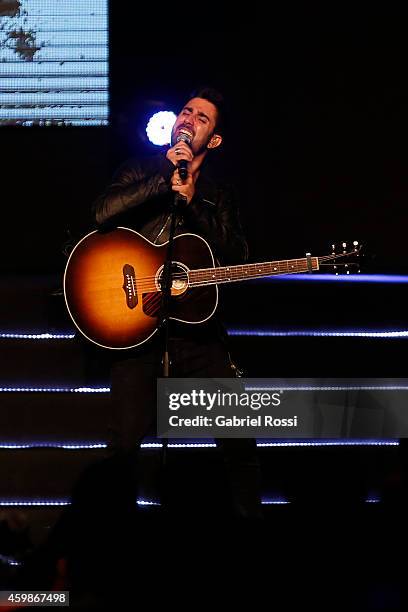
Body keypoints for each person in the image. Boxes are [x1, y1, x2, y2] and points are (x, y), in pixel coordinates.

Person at [91, 86, 263, 520]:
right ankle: (108, 547)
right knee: (124, 445)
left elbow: (237, 255)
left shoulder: (218, 195)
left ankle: (251, 537)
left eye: (201, 118)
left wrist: (194, 206)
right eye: (185, 111)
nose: (188, 120)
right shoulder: (140, 170)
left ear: (215, 140)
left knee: (238, 438)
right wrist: (160, 183)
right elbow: (103, 213)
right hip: (138, 326)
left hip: (197, 329)